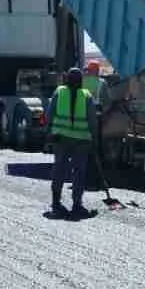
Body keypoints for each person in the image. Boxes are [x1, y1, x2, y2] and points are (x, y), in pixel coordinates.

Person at [47, 66, 97, 217]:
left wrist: (50, 132)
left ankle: (56, 202)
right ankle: (77, 204)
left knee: (59, 169)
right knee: (79, 172)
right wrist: (93, 139)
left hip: (61, 139)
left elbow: (49, 114)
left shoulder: (59, 92)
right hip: (81, 141)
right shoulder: (86, 95)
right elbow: (92, 120)